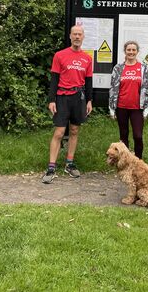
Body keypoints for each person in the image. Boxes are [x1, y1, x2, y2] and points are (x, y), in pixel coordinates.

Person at [42, 25, 93, 184]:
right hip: (62, 97)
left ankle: (69, 164)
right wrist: (51, 100)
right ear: (70, 36)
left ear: (83, 37)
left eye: (80, 34)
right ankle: (51, 167)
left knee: (75, 130)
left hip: (79, 97)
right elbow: (54, 79)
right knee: (59, 132)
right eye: (74, 34)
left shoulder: (87, 58)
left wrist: (89, 100)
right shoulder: (60, 55)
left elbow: (89, 81)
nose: (77, 37)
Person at [108, 41, 148, 159]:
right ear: (125, 51)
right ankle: (125, 161)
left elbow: (147, 88)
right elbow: (113, 88)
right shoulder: (118, 68)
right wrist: (112, 108)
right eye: (129, 50)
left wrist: (146, 108)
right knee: (123, 136)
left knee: (138, 136)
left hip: (137, 108)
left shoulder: (143, 68)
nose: (131, 52)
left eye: (133, 50)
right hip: (121, 107)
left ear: (137, 52)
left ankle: (138, 161)